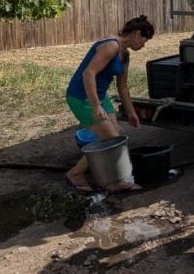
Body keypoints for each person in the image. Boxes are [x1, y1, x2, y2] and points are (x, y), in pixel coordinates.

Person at [65, 15, 154, 193]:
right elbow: (88, 74)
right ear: (136, 33)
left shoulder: (125, 54)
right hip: (81, 97)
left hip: (99, 96)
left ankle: (113, 179)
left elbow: (123, 87)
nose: (143, 45)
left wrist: (131, 112)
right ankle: (76, 174)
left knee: (119, 136)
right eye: (144, 40)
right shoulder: (111, 46)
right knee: (112, 139)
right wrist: (96, 105)